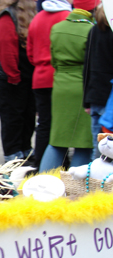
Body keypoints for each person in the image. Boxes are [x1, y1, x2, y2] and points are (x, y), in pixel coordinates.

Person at [39, 0, 99, 172]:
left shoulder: (57, 28)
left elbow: (55, 61)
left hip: (60, 87)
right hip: (82, 87)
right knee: (84, 142)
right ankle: (74, 188)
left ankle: (41, 181)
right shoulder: (90, 30)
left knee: (57, 140)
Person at [0, 0, 37, 163]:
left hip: (24, 75)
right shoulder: (7, 16)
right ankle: (13, 154)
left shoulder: (18, 16)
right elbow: (6, 48)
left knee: (27, 115)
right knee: (13, 117)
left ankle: (25, 149)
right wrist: (14, 75)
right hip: (11, 77)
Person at [26, 0, 72, 170]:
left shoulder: (36, 19)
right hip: (59, 77)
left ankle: (40, 163)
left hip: (39, 78)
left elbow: (30, 54)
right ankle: (62, 163)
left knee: (44, 124)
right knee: (62, 123)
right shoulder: (67, 17)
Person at [83, 3, 113, 159]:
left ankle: (96, 181)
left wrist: (86, 101)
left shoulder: (94, 30)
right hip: (110, 98)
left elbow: (86, 66)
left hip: (95, 95)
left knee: (99, 148)